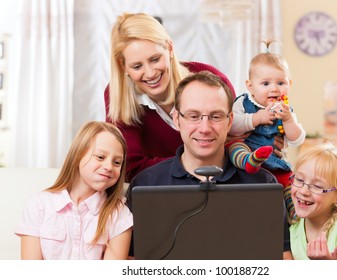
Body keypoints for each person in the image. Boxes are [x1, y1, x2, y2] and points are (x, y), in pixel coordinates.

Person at [126, 71, 292, 259]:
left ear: (230, 121)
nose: (204, 128)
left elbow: (282, 260)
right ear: (176, 119)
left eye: (215, 116)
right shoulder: (145, 185)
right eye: (193, 116)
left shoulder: (264, 186)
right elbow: (129, 261)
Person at [104, 12, 236, 183]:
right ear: (123, 66)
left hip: (221, 183)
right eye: (137, 66)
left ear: (170, 48)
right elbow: (128, 167)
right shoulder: (118, 96)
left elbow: (239, 141)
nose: (150, 73)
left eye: (155, 59)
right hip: (159, 192)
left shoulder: (211, 80)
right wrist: (187, 167)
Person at [15, 121, 133, 260]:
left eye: (117, 162)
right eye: (100, 157)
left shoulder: (119, 214)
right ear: (78, 155)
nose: (109, 166)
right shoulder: (39, 204)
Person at [227, 41, 306, 223]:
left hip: (272, 158)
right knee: (234, 146)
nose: (274, 88)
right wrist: (256, 119)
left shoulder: (286, 110)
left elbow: (297, 139)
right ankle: (250, 161)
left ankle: (294, 210)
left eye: (281, 82)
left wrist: (288, 120)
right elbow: (232, 125)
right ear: (250, 86)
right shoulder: (243, 103)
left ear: (290, 83)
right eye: (265, 83)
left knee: (289, 180)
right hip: (246, 151)